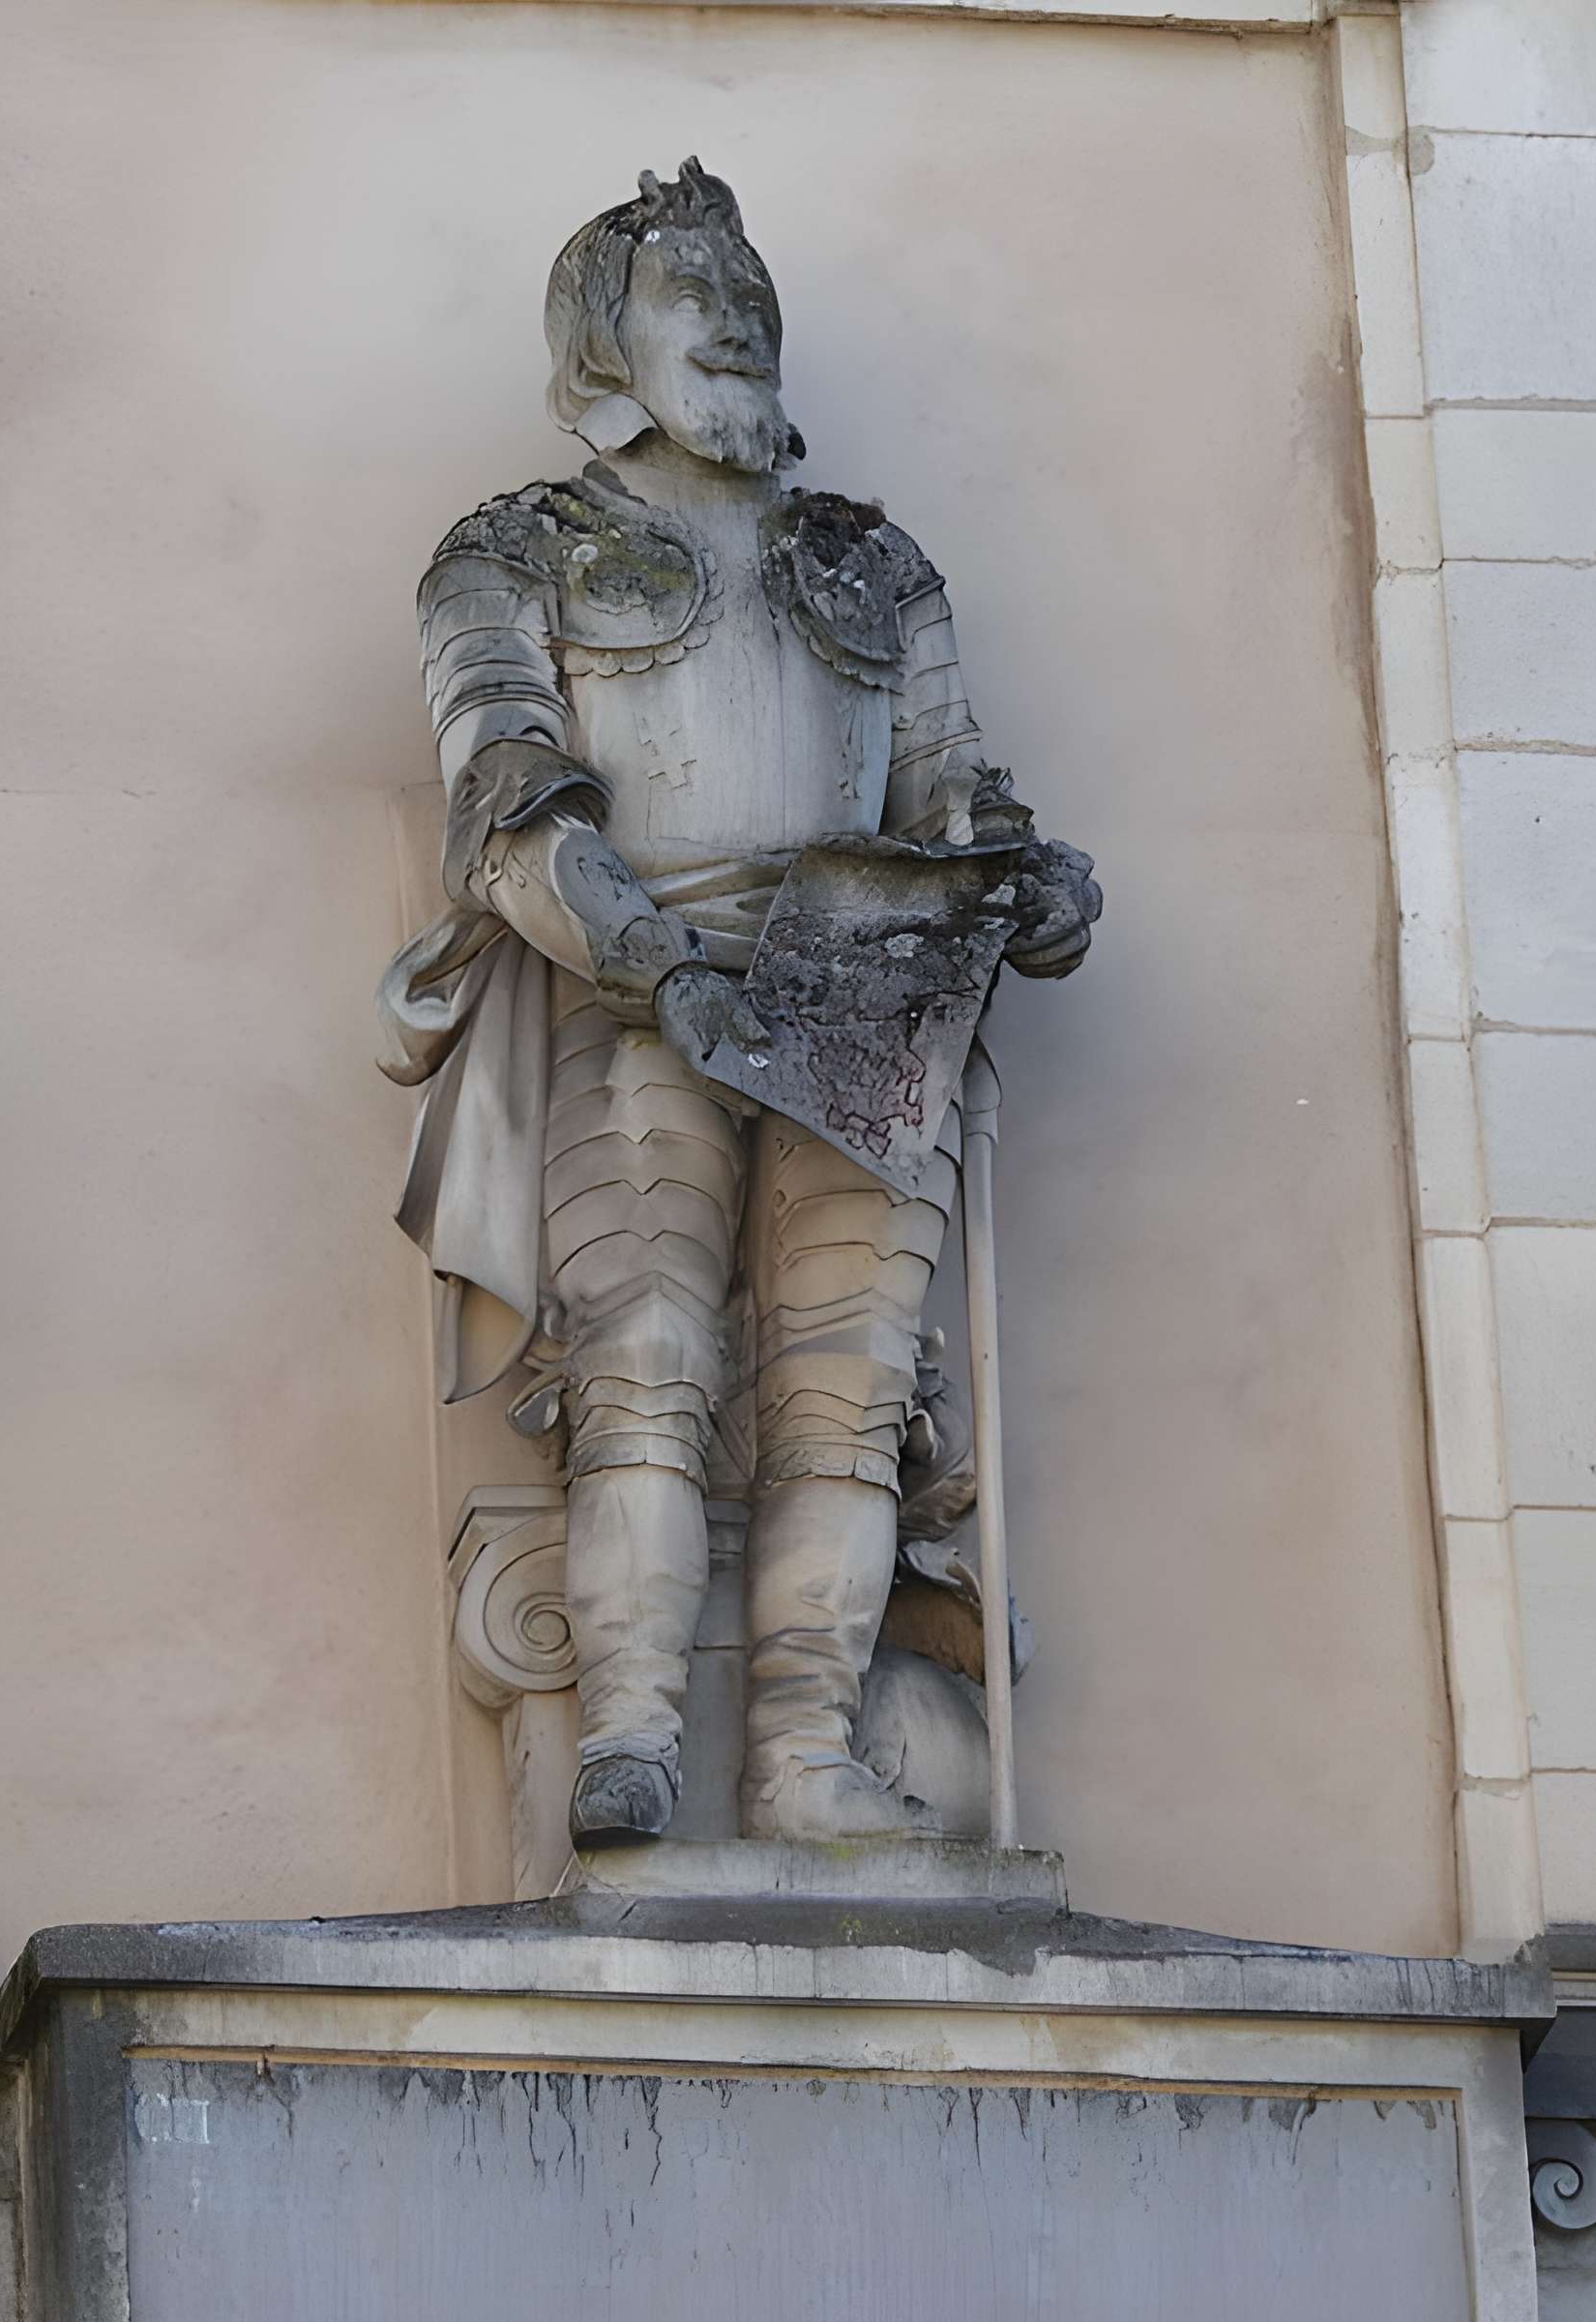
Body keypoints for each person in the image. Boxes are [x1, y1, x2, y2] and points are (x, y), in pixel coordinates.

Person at [379, 163, 1096, 1846]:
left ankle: (800, 1757)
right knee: (646, 1363)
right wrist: (647, 958)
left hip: (868, 1000)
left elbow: (956, 793)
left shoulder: (873, 563)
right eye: (694, 293)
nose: (738, 318)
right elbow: (508, 799)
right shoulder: (513, 551)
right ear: (603, 344)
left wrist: (1034, 884)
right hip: (640, 994)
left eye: (749, 291)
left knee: (849, 1398)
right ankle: (631, 1730)